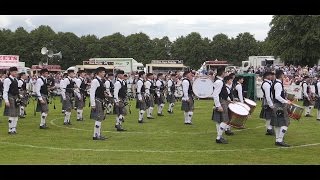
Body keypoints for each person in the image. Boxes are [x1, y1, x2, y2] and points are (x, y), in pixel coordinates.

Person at [271, 70, 292, 147]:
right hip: (279, 105)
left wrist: (286, 99)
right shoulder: (278, 84)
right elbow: (277, 96)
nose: (284, 76)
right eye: (283, 75)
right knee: (285, 123)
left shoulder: (275, 83)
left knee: (277, 124)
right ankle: (279, 140)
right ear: (281, 75)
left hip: (276, 105)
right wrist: (285, 102)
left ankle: (277, 140)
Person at [90, 67, 107, 140]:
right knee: (99, 117)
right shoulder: (95, 81)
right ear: (99, 73)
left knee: (100, 117)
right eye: (103, 72)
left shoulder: (101, 81)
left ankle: (98, 134)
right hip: (97, 100)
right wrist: (93, 104)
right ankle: (96, 135)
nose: (104, 73)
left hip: (101, 100)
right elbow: (92, 92)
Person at [212, 67, 229, 144]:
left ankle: (219, 136)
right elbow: (215, 94)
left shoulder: (218, 81)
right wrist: (218, 106)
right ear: (222, 73)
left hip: (220, 101)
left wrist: (228, 99)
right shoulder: (219, 82)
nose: (226, 73)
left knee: (219, 121)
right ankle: (218, 137)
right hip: (221, 102)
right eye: (225, 72)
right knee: (225, 120)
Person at [3, 67, 20, 134]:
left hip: (16, 97)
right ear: (11, 72)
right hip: (10, 97)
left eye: (16, 72)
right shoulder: (7, 80)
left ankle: (14, 129)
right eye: (14, 72)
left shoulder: (16, 79)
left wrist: (19, 96)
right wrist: (6, 100)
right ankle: (10, 129)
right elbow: (5, 91)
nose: (16, 73)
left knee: (16, 113)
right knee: (11, 114)